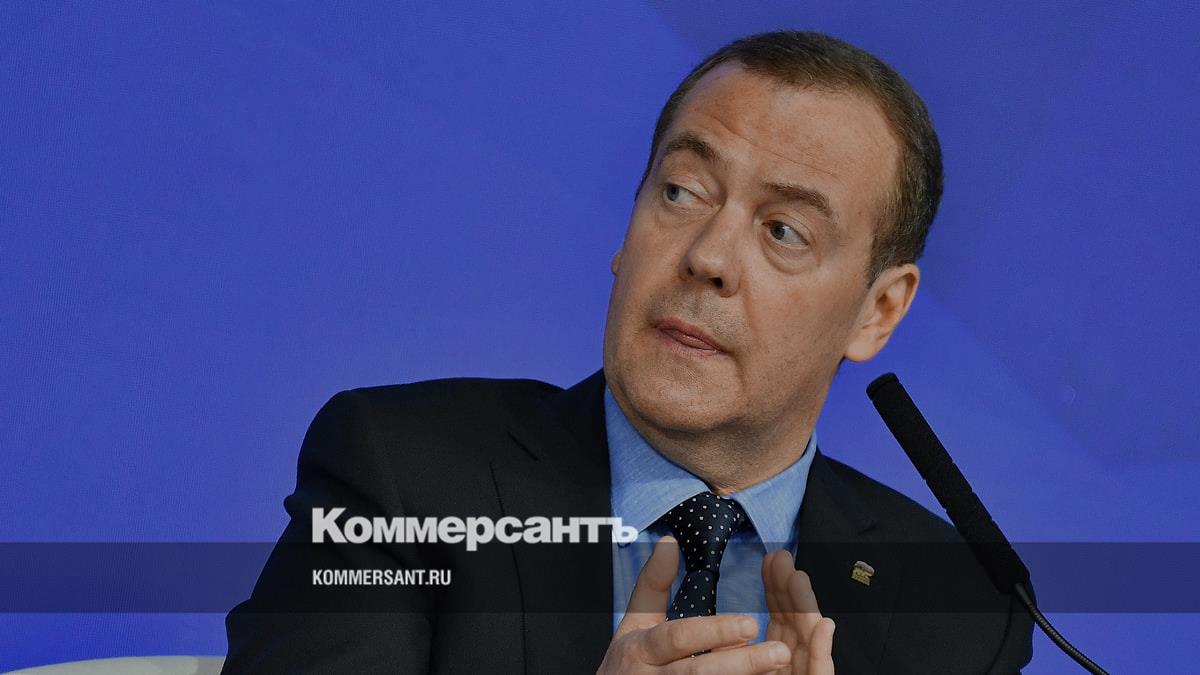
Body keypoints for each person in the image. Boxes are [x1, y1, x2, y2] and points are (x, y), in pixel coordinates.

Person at [223, 30, 1034, 674]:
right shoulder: (402, 475)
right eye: (681, 191)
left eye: (784, 231)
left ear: (878, 311)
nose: (707, 257)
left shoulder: (960, 611)